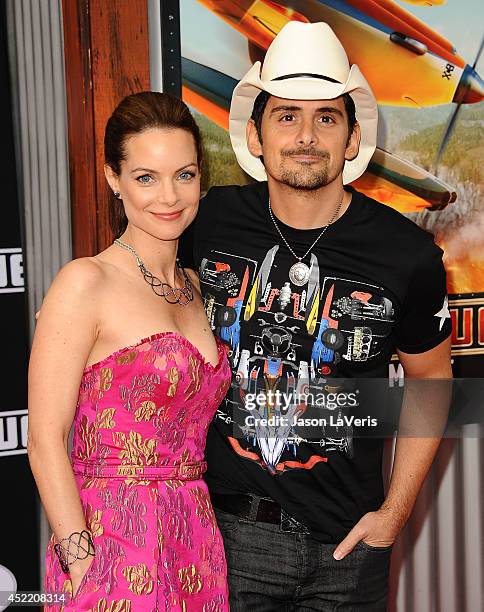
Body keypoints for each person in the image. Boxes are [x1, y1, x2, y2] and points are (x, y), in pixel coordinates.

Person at [178, 22, 453, 610]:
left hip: (349, 549)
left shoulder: (406, 254)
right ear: (255, 134)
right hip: (227, 540)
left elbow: (431, 379)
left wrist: (393, 516)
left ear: (353, 139)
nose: (306, 136)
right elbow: (127, 280)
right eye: (287, 116)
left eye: (326, 118)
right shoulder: (203, 225)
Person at [28, 92, 230, 611]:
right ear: (113, 179)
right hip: (111, 541)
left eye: (184, 175)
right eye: (146, 177)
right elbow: (45, 439)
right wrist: (79, 559)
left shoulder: (196, 287)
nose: (169, 196)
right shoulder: (84, 281)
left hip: (195, 540)